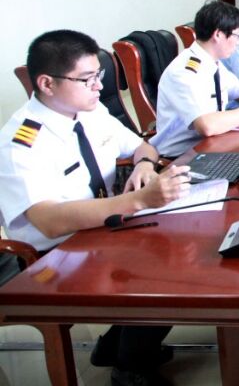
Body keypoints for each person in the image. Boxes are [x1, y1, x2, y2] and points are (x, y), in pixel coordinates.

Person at [0, 30, 189, 386]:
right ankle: (129, 370)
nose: (99, 86)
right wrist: (136, 201)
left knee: (185, 244)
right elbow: (48, 221)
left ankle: (119, 347)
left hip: (100, 229)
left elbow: (142, 146)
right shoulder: (21, 143)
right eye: (87, 79)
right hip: (51, 258)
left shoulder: (89, 111)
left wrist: (144, 166)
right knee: (166, 268)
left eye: (99, 75)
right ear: (47, 83)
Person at [151, 0, 239, 158]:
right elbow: (207, 126)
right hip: (182, 157)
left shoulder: (213, 62)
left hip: (212, 145)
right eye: (237, 36)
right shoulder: (185, 72)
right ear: (218, 34)